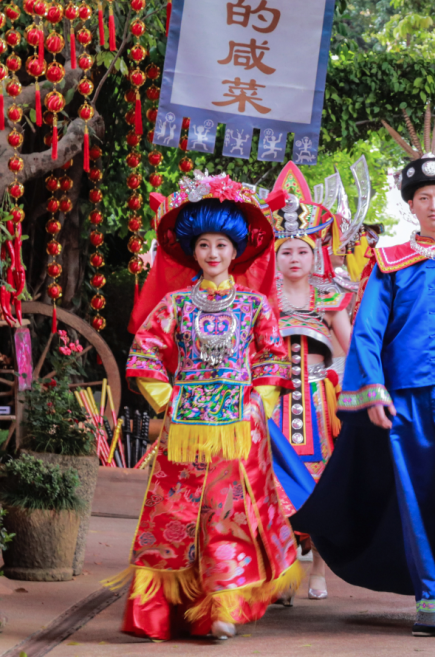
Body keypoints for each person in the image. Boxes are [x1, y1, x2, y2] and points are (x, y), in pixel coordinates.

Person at [293, 106, 435, 638]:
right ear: (411, 206)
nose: (434, 206)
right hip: (406, 397)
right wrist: (371, 392)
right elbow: (367, 332)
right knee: (415, 499)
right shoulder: (390, 260)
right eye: (424, 199)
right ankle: (431, 599)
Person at [106, 172, 299, 642]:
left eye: (222, 246)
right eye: (205, 246)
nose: (213, 254)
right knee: (174, 515)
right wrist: (169, 399)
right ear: (193, 252)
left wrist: (259, 402)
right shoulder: (175, 304)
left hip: (238, 428)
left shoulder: (256, 305)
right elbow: (144, 355)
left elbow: (275, 358)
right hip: (184, 427)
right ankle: (167, 610)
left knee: (224, 512)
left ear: (236, 252)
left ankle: (222, 607)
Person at [266, 161, 358, 601]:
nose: (294, 259)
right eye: (286, 251)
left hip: (320, 401)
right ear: (275, 255)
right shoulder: (262, 298)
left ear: (315, 253)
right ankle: (284, 572)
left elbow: (354, 348)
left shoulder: (329, 294)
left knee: (320, 484)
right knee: (274, 483)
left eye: (301, 251)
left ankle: (319, 571)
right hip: (271, 401)